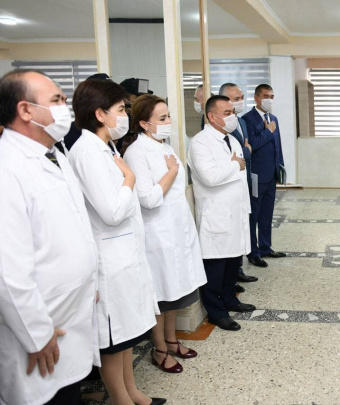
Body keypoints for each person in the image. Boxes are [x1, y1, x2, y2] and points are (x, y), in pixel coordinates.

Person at [0, 69, 98, 405]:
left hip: (69, 315)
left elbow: (75, 225)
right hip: (38, 329)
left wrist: (91, 280)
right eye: (56, 100)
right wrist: (37, 334)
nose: (64, 108)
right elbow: (8, 271)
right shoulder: (7, 167)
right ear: (25, 110)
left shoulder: (55, 155)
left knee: (67, 393)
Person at [68, 79, 165, 405]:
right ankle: (122, 400)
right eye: (121, 109)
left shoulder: (105, 146)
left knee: (126, 335)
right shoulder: (87, 152)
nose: (125, 115)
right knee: (113, 340)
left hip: (124, 255)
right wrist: (130, 179)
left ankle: (132, 393)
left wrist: (126, 181)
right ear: (100, 113)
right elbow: (111, 212)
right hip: (109, 261)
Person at [124, 94, 207, 373]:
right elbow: (147, 198)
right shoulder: (136, 152)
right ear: (144, 123)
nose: (169, 121)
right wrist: (171, 172)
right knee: (161, 295)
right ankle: (159, 349)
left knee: (175, 292)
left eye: (169, 115)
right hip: (157, 233)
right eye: (162, 118)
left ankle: (172, 340)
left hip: (177, 229)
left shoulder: (165, 146)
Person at [187, 95, 256, 331]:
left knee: (232, 264)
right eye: (227, 113)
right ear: (211, 116)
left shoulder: (232, 140)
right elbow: (210, 177)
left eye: (232, 112)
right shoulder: (200, 143)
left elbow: (240, 177)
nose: (232, 116)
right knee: (215, 269)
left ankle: (230, 299)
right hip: (216, 215)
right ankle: (216, 312)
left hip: (235, 213)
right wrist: (235, 164)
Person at [241, 84, 286, 268]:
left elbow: (277, 146)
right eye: (266, 96)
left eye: (272, 96)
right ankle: (253, 252)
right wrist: (268, 132)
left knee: (267, 214)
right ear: (257, 98)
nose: (269, 99)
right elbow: (250, 145)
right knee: (254, 214)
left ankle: (265, 247)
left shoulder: (273, 118)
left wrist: (280, 168)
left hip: (271, 174)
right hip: (256, 176)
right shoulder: (247, 119)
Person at [219, 82, 258, 287]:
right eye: (236, 99)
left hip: (245, 177)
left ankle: (239, 268)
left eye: (241, 98)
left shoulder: (240, 121)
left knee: (245, 223)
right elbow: (239, 154)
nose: (240, 102)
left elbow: (244, 151)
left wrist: (246, 152)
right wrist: (246, 152)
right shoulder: (221, 126)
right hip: (229, 183)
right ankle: (234, 273)